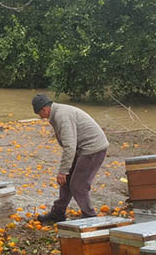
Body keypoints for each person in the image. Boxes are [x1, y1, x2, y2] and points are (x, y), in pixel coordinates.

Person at [32, 93, 109, 223]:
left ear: (45, 109)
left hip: (93, 148)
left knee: (78, 185)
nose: (41, 117)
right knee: (66, 181)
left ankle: (90, 216)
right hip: (81, 148)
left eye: (40, 114)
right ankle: (58, 213)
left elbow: (69, 146)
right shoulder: (57, 112)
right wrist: (65, 173)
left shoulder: (61, 116)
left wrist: (63, 171)